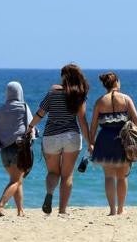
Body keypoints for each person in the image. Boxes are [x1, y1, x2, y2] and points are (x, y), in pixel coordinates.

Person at [27, 63, 91, 215]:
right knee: (67, 174)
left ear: (64, 77)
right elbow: (82, 121)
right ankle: (62, 210)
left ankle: (49, 194)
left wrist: (30, 127)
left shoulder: (52, 94)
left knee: (53, 172)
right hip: (72, 137)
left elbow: (40, 114)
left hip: (51, 137)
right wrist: (90, 141)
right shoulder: (79, 95)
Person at [89, 72, 137, 215]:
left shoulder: (100, 101)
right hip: (122, 139)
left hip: (104, 139)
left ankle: (112, 210)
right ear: (117, 82)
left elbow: (93, 126)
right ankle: (120, 209)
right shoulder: (126, 99)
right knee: (122, 176)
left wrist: (91, 143)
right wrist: (133, 135)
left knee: (109, 176)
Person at [0, 81, 35, 217]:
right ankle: (0, 205)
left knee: (16, 179)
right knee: (16, 180)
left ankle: (20, 211)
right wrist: (32, 139)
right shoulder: (23, 107)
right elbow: (30, 126)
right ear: (19, 93)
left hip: (4, 151)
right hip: (19, 149)